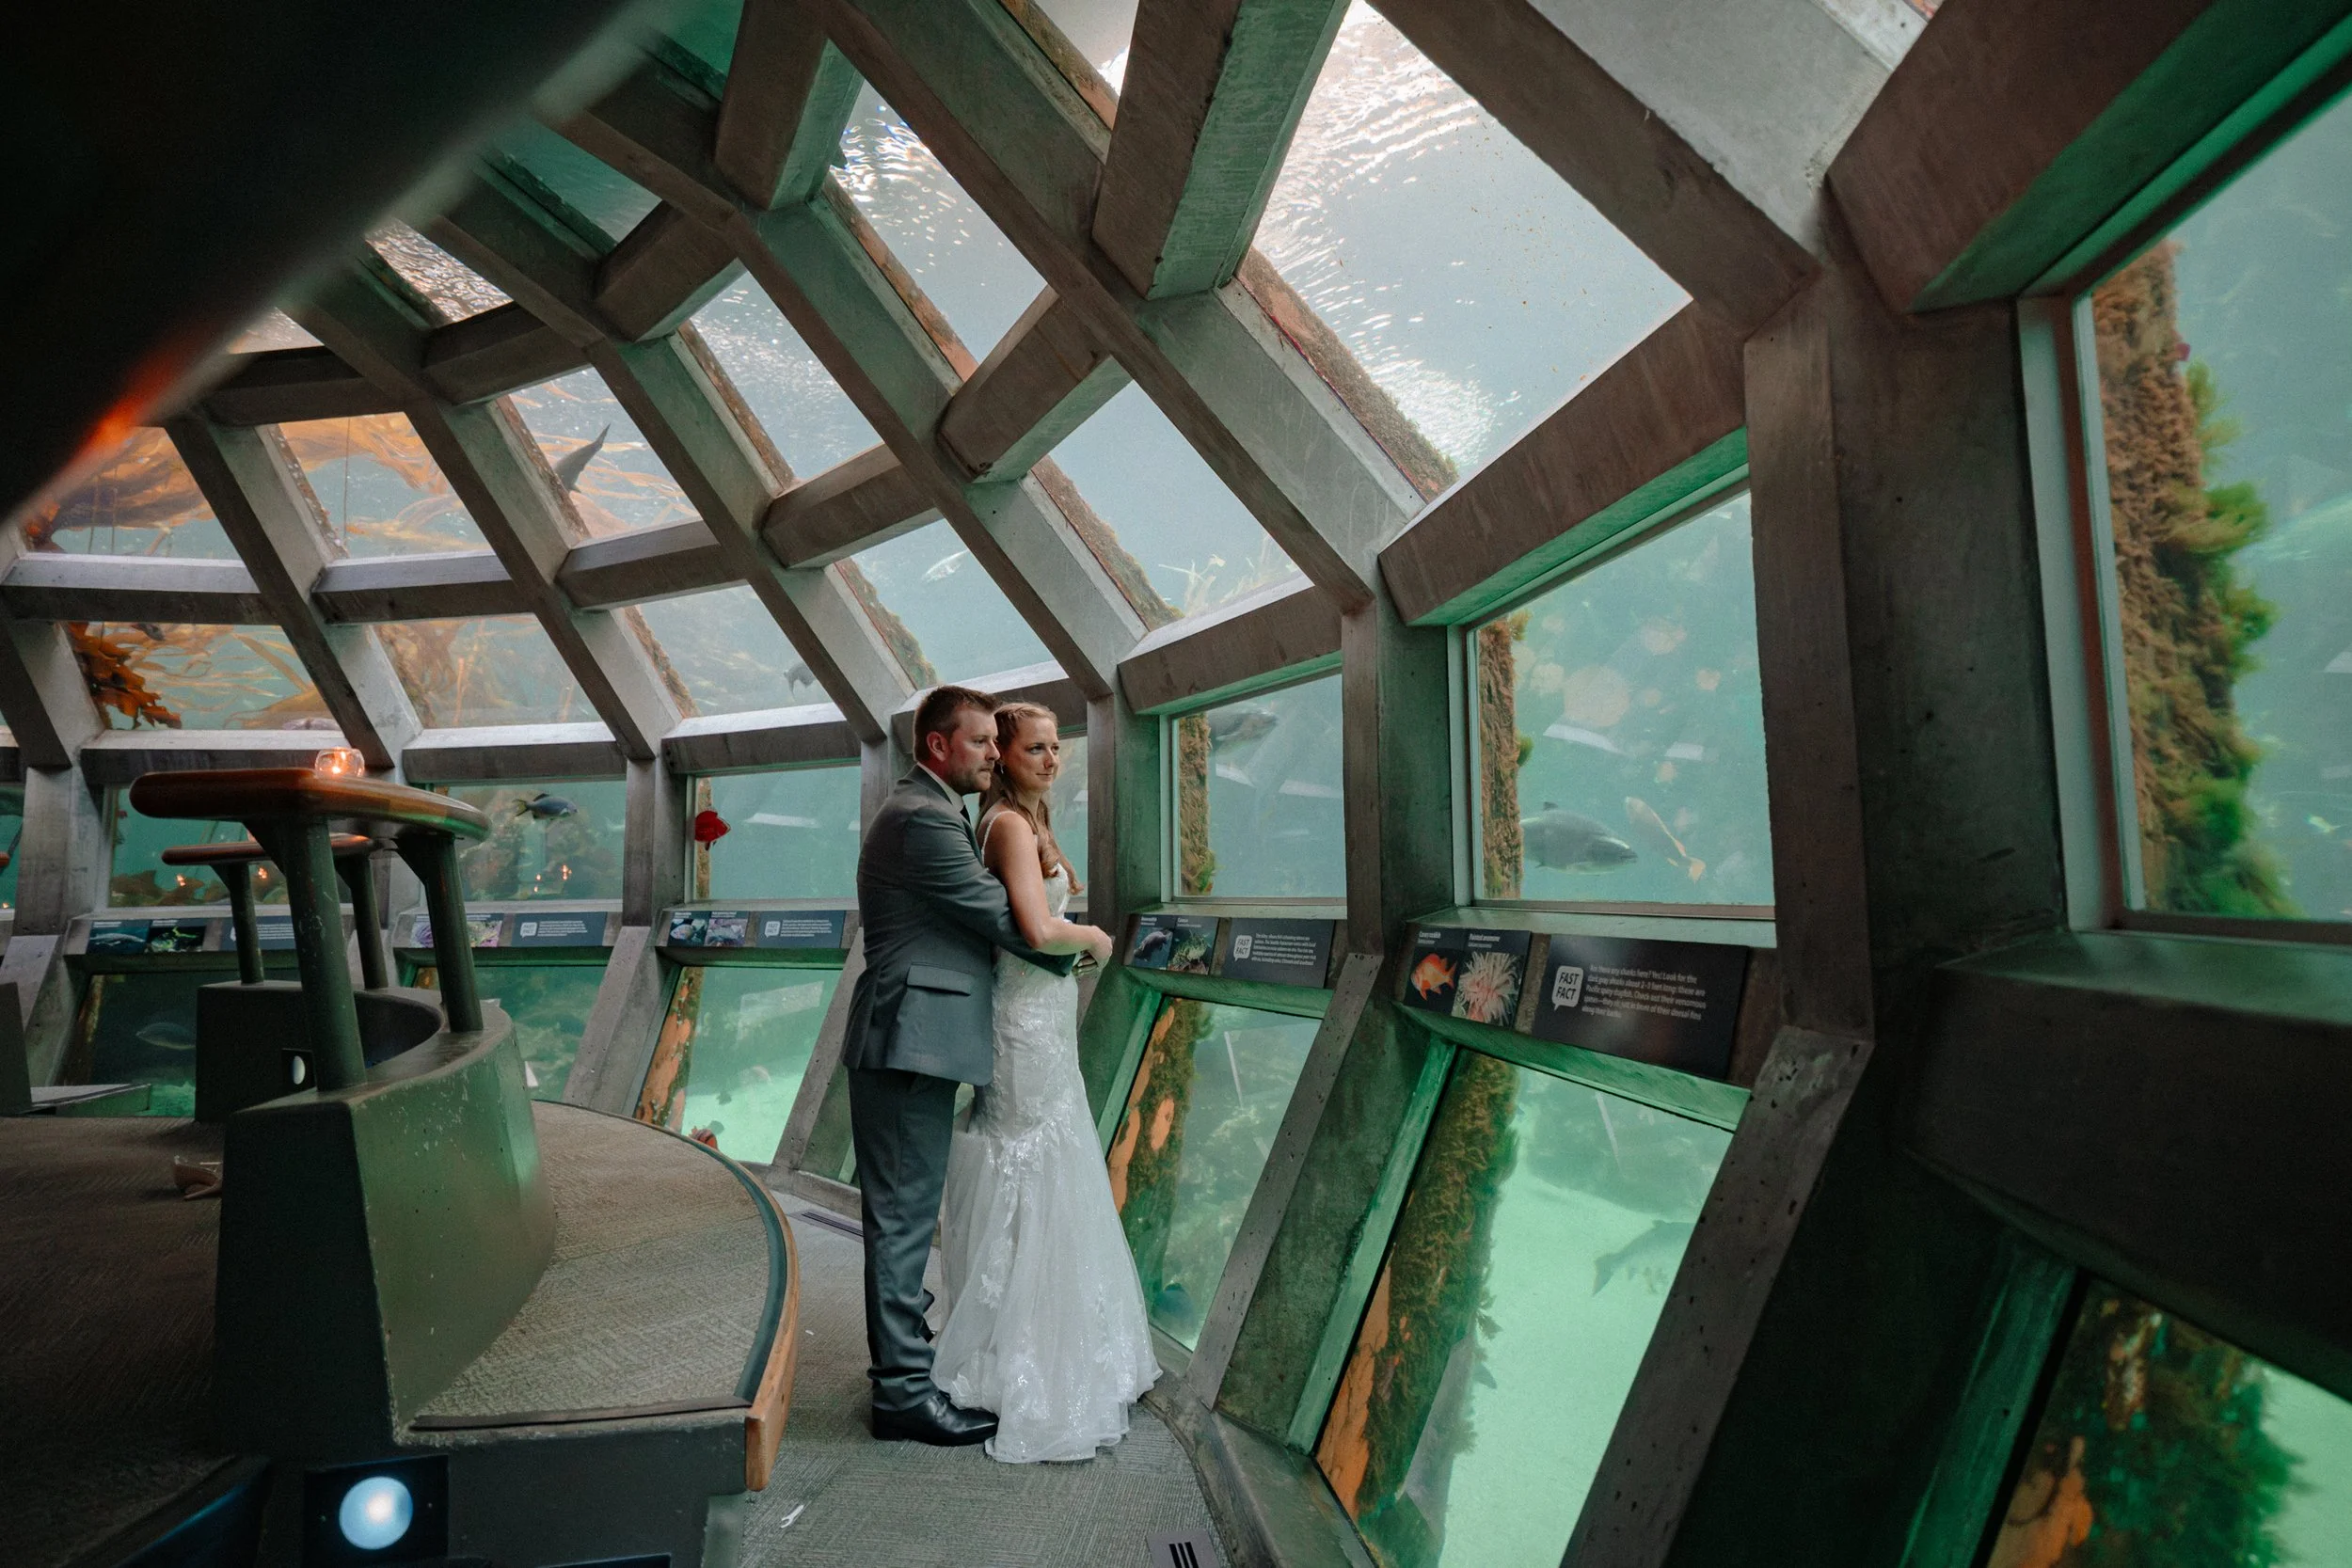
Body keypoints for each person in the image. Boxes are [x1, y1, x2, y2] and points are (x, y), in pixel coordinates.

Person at [840, 685, 1104, 1447]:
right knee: (901, 1219)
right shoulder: (924, 820)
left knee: (908, 1212)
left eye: (998, 743)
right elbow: (1001, 919)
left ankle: (910, 1372)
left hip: (918, 1037)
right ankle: (902, 1395)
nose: (993, 755)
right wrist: (1081, 946)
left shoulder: (933, 812)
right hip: (907, 1039)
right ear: (936, 747)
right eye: (984, 743)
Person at [930, 702, 1157, 1463]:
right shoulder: (1007, 827)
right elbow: (1034, 927)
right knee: (1030, 1160)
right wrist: (1093, 936)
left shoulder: (1029, 821)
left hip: (1045, 1016)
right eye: (1035, 747)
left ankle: (1061, 1338)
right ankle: (1016, 1352)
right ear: (1005, 756)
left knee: (1055, 1158)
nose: (1052, 757)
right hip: (1023, 1022)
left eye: (1057, 746)